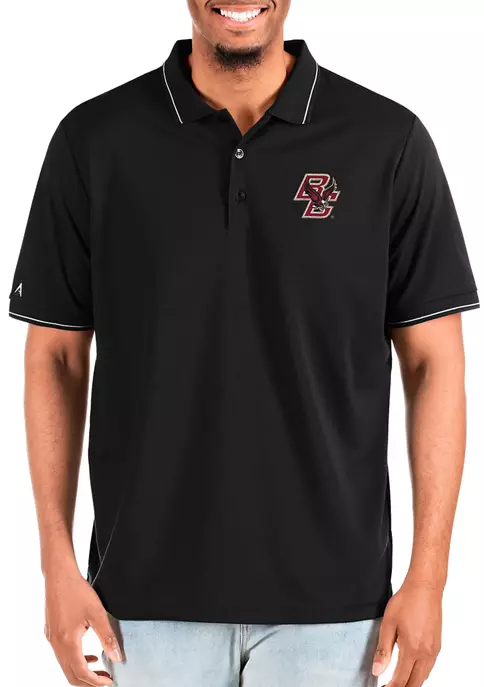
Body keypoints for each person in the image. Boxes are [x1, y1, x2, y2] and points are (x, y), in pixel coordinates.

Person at [8, 1, 480, 686]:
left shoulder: (386, 141)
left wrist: (430, 577)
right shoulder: (94, 140)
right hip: (140, 604)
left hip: (337, 609)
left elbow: (436, 361)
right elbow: (55, 355)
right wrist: (55, 562)